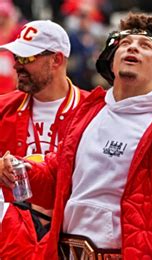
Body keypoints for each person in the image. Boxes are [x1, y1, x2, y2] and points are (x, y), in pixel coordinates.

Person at [1, 13, 152, 259]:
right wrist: (20, 170)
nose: (132, 47)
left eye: (145, 46)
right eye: (124, 44)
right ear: (112, 64)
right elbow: (57, 174)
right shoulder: (87, 113)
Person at [0, 20, 88, 258]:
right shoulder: (3, 108)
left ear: (57, 60)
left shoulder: (93, 112)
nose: (17, 65)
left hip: (72, 239)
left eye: (27, 59)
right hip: (11, 241)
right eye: (17, 57)